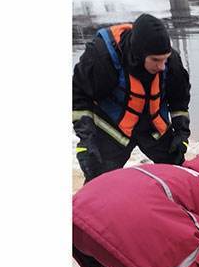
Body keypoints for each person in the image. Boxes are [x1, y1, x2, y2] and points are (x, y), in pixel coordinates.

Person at [72, 13, 192, 181]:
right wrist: (86, 140)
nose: (162, 67)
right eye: (155, 60)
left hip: (153, 128)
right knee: (98, 182)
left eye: (165, 59)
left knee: (178, 176)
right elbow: (79, 98)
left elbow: (179, 101)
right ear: (139, 54)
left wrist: (181, 133)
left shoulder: (171, 62)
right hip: (113, 130)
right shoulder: (101, 57)